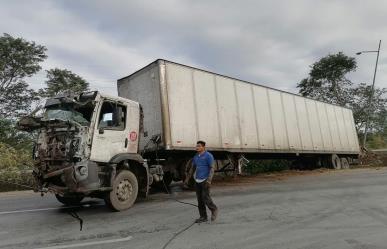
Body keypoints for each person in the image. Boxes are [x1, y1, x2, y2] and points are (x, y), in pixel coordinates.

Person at [185, 140, 218, 223]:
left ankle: (214, 209)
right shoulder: (196, 156)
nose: (197, 147)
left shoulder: (208, 156)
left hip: (205, 180)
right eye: (197, 146)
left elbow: (212, 168)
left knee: (205, 197)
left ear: (203, 147)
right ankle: (203, 217)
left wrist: (209, 180)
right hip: (197, 180)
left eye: (199, 146)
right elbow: (192, 168)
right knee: (200, 200)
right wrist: (187, 179)